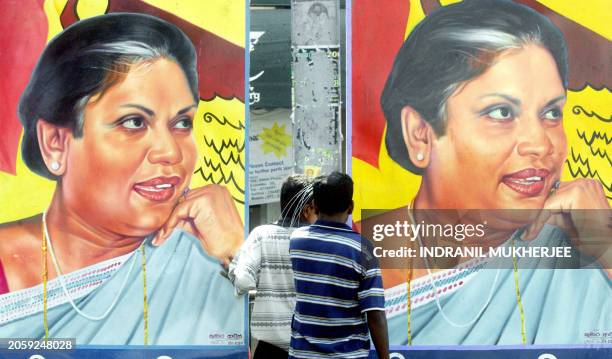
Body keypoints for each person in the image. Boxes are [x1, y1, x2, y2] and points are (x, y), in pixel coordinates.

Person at [0, 13, 245, 345]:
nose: (170, 151)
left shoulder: (208, 257)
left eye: (182, 123)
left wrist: (238, 253)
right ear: (56, 144)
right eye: (133, 122)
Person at [379, 0, 610, 345]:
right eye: (501, 112)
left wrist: (605, 246)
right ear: (420, 132)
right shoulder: (359, 257)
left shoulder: (586, 245)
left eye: (551, 113)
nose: (541, 145)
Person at [289, 172, 389, 359]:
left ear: (315, 207)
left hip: (302, 354)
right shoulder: (363, 249)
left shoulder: (297, 240)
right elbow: (375, 315)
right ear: (350, 207)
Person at [228, 174, 317, 358]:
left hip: (270, 351)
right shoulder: (317, 240)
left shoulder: (262, 235)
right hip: (310, 348)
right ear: (307, 209)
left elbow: (243, 281)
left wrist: (233, 271)